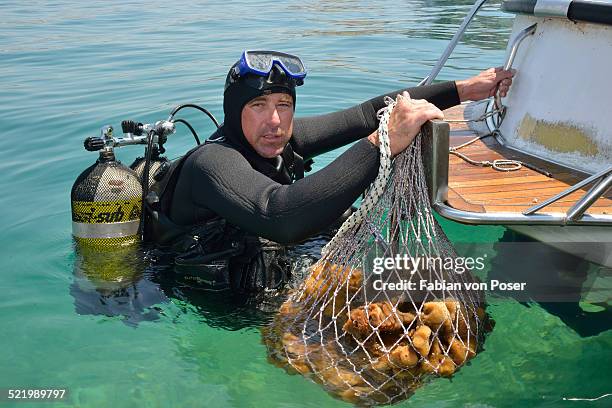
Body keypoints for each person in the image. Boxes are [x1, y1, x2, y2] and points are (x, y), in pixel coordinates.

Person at [146, 50, 514, 293]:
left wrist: (464, 89)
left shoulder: (282, 138)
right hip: (209, 299)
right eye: (258, 105)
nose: (274, 121)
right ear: (233, 111)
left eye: (283, 104)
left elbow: (364, 114)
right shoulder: (210, 164)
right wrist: (380, 142)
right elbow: (278, 215)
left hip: (256, 258)